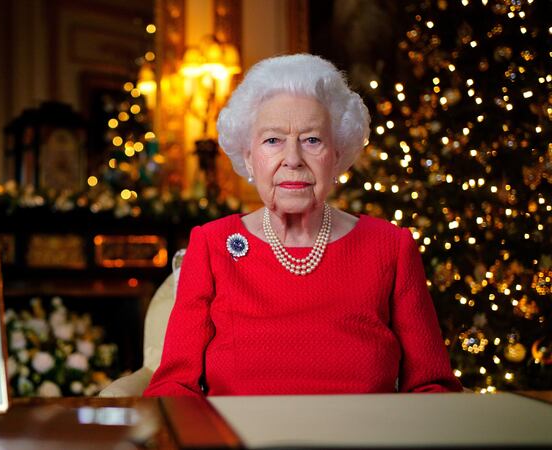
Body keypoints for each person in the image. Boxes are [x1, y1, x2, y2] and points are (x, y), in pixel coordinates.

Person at [144, 54, 463, 397]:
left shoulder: (389, 246)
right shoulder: (211, 244)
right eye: (273, 140)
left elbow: (432, 386)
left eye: (312, 140)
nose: (293, 159)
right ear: (249, 156)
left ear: (338, 154)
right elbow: (174, 387)